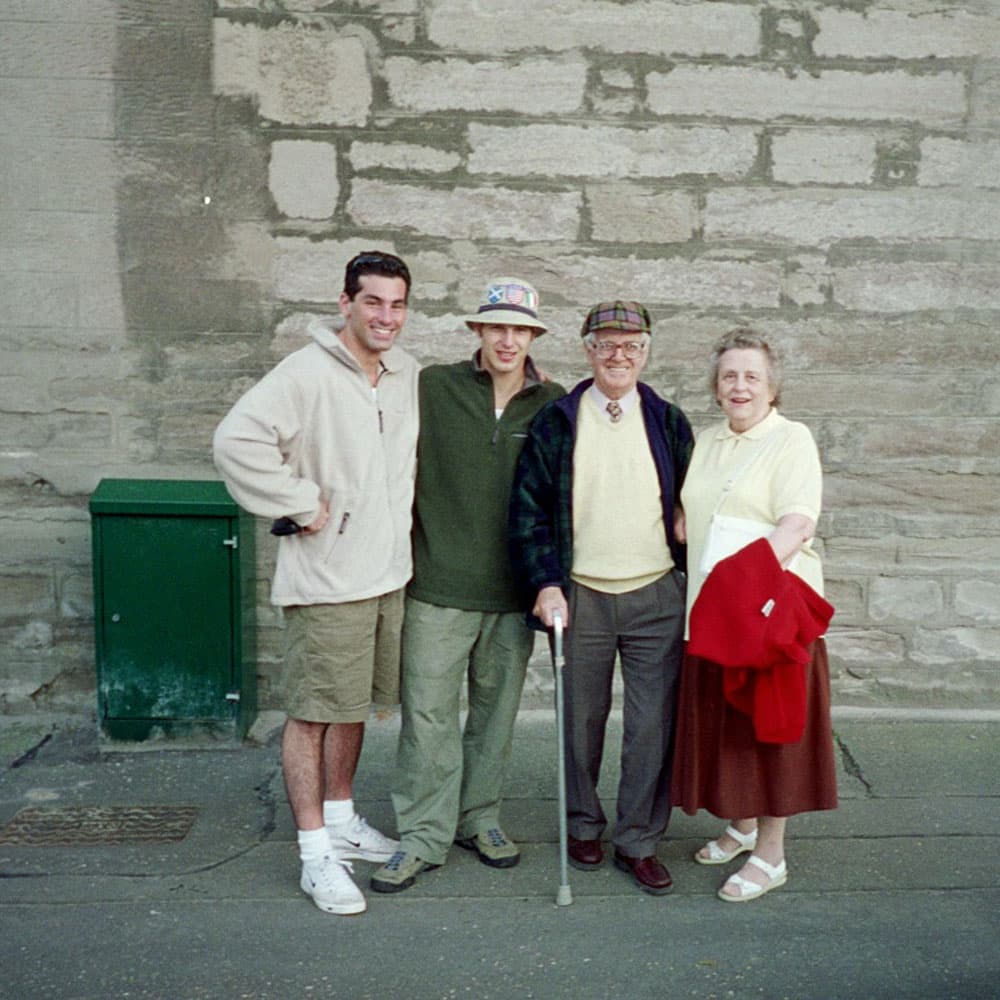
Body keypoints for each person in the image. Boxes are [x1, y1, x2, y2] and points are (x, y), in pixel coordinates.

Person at [213, 250, 418, 916]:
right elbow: (235, 440)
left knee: (351, 706)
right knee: (310, 713)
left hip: (386, 575)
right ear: (345, 303)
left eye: (397, 304)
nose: (386, 316)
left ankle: (340, 819)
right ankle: (313, 855)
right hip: (326, 577)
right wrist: (300, 502)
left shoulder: (405, 373)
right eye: (373, 302)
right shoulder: (304, 373)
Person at [370, 278, 565, 894]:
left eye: (520, 330)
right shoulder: (433, 386)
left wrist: (551, 581)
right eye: (496, 327)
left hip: (513, 593)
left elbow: (564, 497)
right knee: (427, 718)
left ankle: (478, 819)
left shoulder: (554, 403)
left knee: (495, 715)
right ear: (477, 331)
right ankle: (424, 836)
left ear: (533, 337)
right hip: (436, 586)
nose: (508, 340)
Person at [509, 301, 693, 896]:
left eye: (632, 345)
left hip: (656, 592)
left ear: (647, 352)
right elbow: (530, 510)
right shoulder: (557, 420)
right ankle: (582, 823)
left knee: (651, 726)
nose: (620, 355)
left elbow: (695, 504)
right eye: (607, 344)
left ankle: (638, 838)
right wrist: (545, 582)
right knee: (580, 720)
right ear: (587, 348)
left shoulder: (668, 421)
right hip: (581, 594)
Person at [671, 327, 838, 903]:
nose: (739, 386)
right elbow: (692, 514)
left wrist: (738, 583)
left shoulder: (792, 440)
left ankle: (772, 854)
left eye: (751, 376)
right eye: (728, 377)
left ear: (773, 387)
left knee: (770, 731)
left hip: (768, 615)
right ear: (716, 389)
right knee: (726, 725)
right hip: (712, 616)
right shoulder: (709, 442)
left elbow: (797, 524)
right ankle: (742, 825)